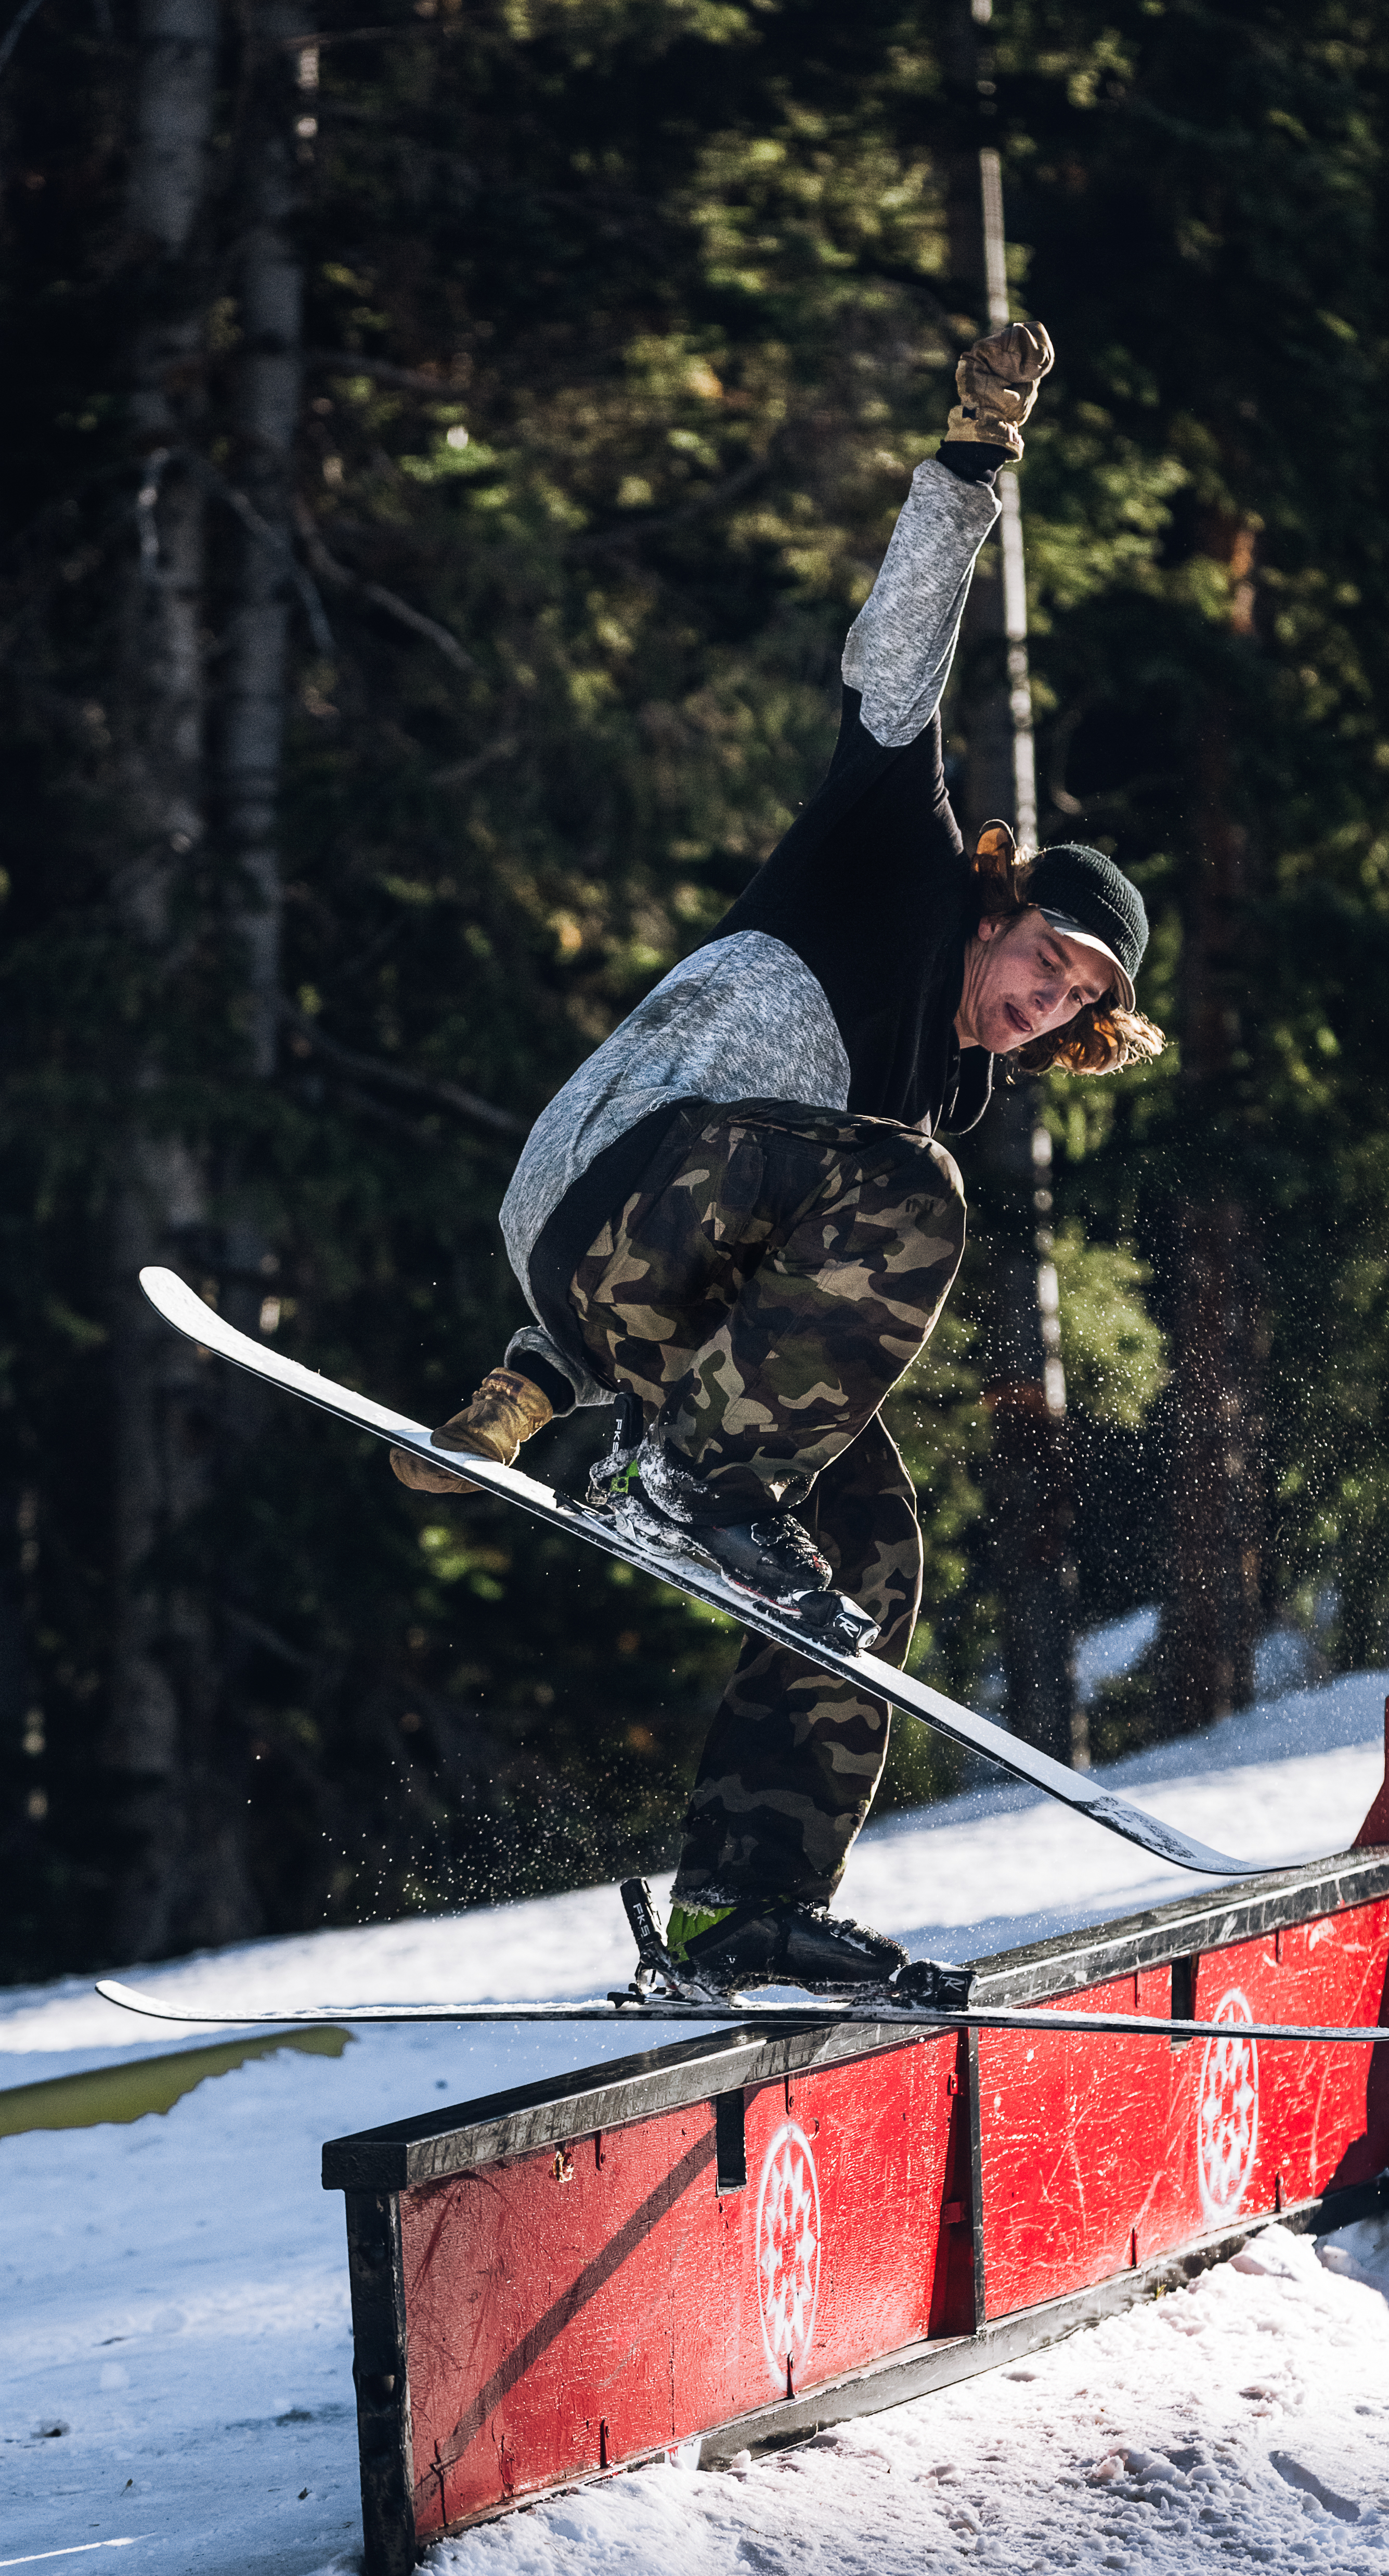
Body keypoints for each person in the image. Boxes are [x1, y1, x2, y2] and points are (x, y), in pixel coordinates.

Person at [393, 319, 1163, 2000]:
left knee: (868, 1551)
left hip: (643, 1294)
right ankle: (690, 1483)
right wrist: (971, 463)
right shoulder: (892, 857)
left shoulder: (932, 1100)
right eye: (1046, 959)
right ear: (1000, 904)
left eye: (1075, 1006)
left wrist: (528, 1389)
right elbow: (898, 655)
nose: (1042, 1003)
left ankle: (742, 1902)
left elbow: (750, 1289)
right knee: (908, 1198)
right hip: (615, 1170)